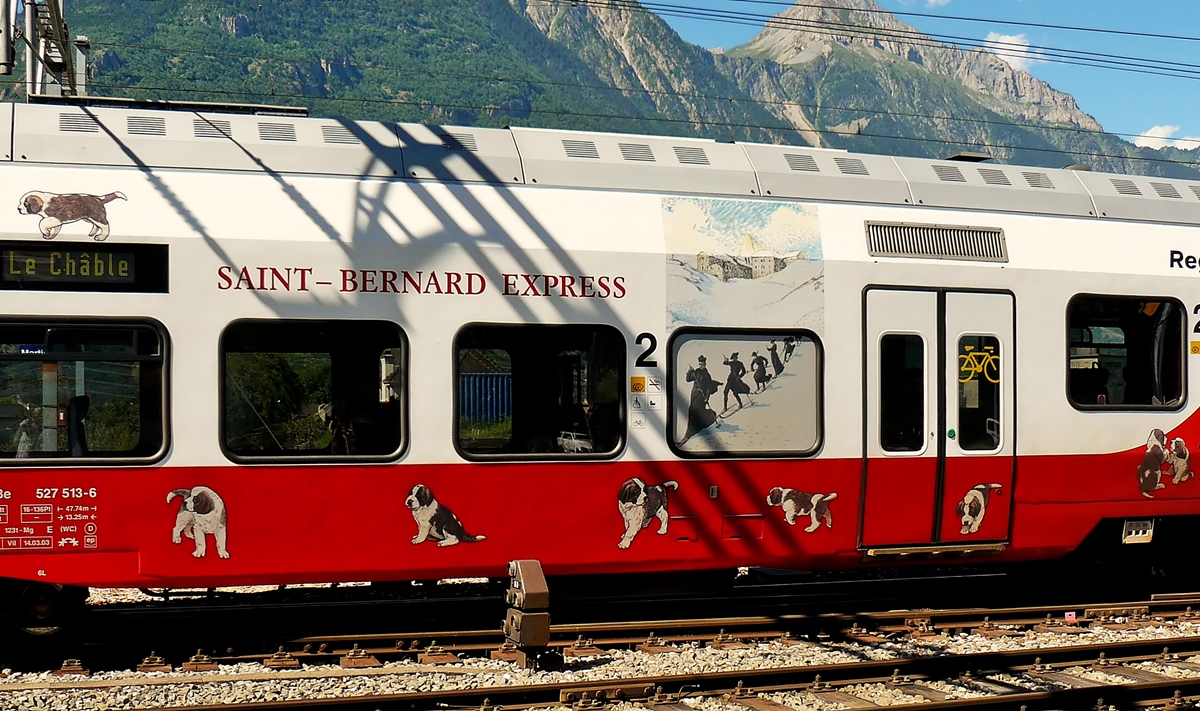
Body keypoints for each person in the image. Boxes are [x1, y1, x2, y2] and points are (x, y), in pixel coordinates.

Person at [683, 355, 718, 441]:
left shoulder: (706, 375)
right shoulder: (696, 371)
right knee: (697, 411)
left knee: (692, 411)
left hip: (701, 396)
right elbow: (688, 379)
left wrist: (707, 397)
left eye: (702, 364)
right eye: (699, 364)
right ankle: (710, 416)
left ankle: (687, 435)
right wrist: (689, 372)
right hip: (694, 393)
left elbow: (709, 388)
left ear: (705, 364)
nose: (700, 365)